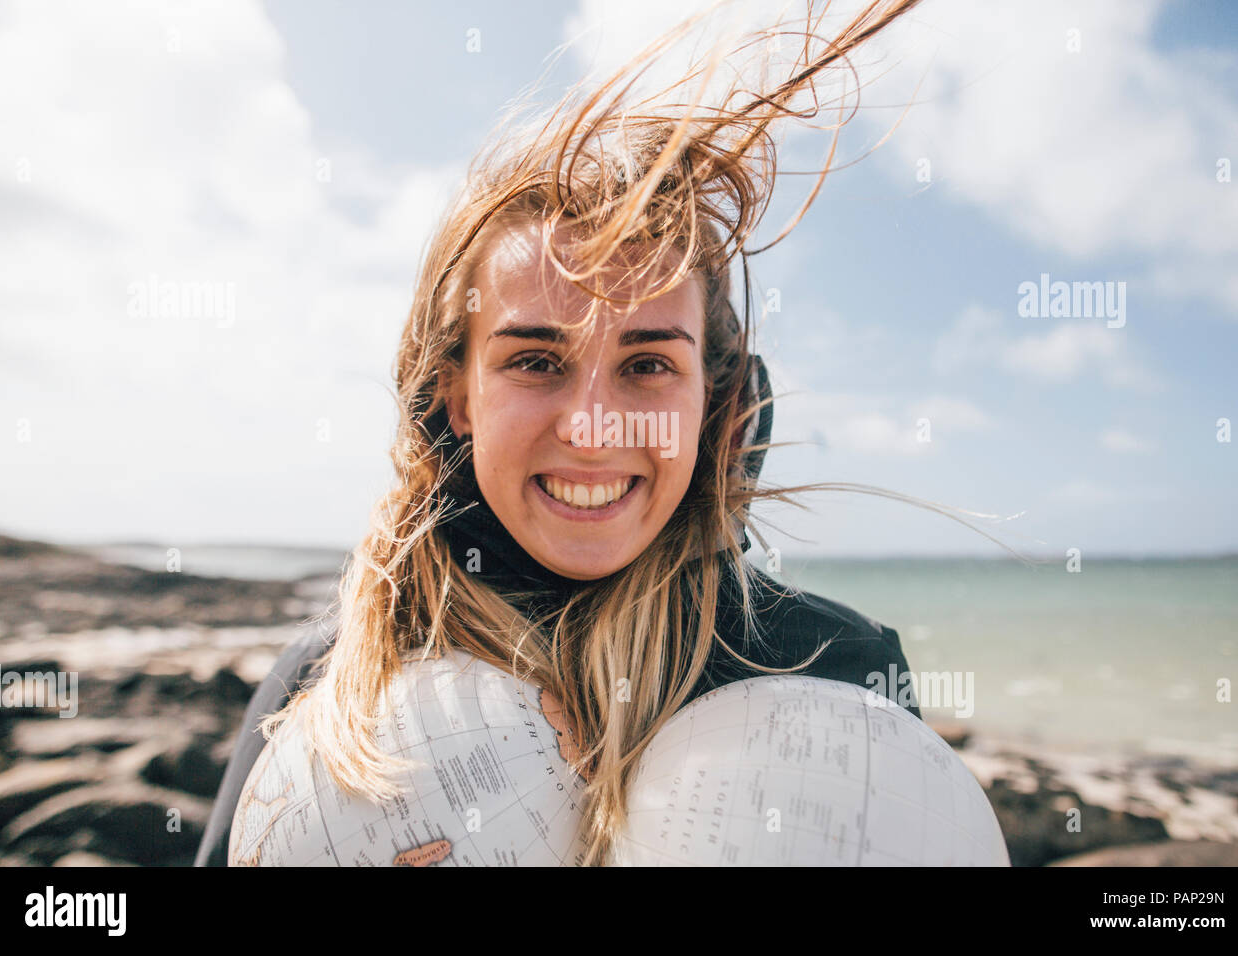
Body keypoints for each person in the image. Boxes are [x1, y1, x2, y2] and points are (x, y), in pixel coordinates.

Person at [197, 0, 934, 867]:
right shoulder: (326, 695)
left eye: (648, 364)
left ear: (715, 397)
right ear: (456, 395)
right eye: (536, 362)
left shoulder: (831, 670)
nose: (590, 427)